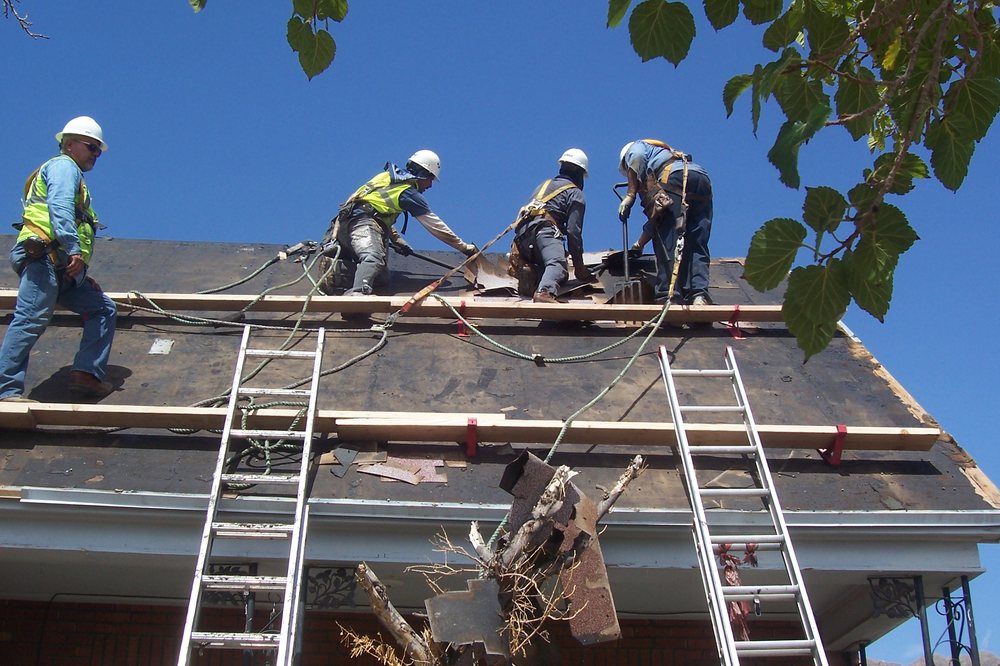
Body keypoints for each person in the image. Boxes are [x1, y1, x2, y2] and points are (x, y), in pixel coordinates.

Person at [0, 116, 117, 402]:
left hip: (61, 264)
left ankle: (86, 374)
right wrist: (73, 248)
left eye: (98, 151)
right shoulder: (64, 167)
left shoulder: (73, 174)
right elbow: (60, 206)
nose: (96, 155)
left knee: (103, 308)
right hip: (44, 258)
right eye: (92, 147)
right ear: (70, 144)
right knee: (30, 319)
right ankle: (5, 391)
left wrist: (79, 271)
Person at [319, 150, 478, 297]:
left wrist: (396, 239)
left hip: (343, 225)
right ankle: (358, 293)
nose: (430, 185)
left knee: (381, 278)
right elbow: (435, 226)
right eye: (430, 180)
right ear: (423, 174)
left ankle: (334, 273)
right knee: (373, 258)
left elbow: (375, 209)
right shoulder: (408, 191)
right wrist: (463, 247)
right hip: (362, 224)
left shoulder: (387, 177)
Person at [617, 139, 713, 306]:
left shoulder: (638, 147)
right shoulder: (666, 156)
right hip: (701, 179)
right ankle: (698, 295)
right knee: (697, 242)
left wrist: (631, 194)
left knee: (668, 240)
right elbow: (657, 219)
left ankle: (669, 297)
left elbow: (637, 155)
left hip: (675, 178)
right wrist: (639, 244)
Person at [510, 149, 595, 303]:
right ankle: (544, 292)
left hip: (522, 236)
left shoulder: (544, 185)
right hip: (544, 231)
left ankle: (532, 274)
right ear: (579, 172)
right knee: (558, 266)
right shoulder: (575, 193)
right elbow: (573, 232)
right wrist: (579, 267)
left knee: (552, 272)